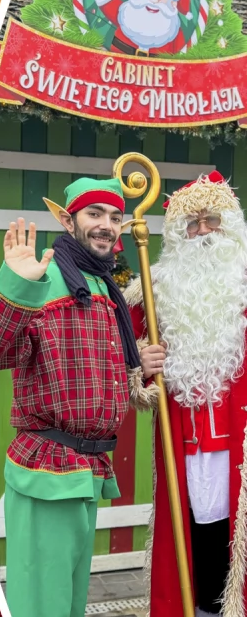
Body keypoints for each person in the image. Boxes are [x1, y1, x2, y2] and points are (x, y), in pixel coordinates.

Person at [0, 178, 165, 617]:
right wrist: (16, 284)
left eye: (114, 217)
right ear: (67, 219)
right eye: (94, 214)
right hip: (49, 470)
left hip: (87, 471)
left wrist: (137, 363)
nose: (106, 225)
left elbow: (87, 364)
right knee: (42, 607)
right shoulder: (45, 275)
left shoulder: (102, 286)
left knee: (69, 606)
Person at [126, 171, 247, 617]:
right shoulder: (152, 291)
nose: (202, 231)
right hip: (183, 442)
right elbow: (126, 365)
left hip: (241, 443)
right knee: (193, 539)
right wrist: (141, 365)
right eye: (191, 224)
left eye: (212, 220)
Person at [91, 0, 186, 55]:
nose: (153, 0)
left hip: (159, 68)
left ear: (172, 4)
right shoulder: (126, 14)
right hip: (116, 61)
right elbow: (110, 5)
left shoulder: (172, 31)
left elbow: (185, 53)